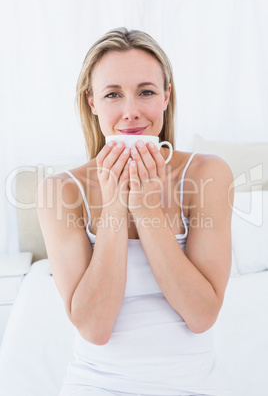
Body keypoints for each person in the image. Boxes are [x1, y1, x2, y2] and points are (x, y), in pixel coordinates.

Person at [37, 27, 234, 396]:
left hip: (195, 384)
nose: (131, 112)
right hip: (96, 385)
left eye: (146, 91)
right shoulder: (61, 190)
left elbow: (202, 316)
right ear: (92, 101)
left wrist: (146, 209)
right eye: (113, 94)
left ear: (166, 97)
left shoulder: (208, 173)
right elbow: (95, 328)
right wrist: (115, 205)